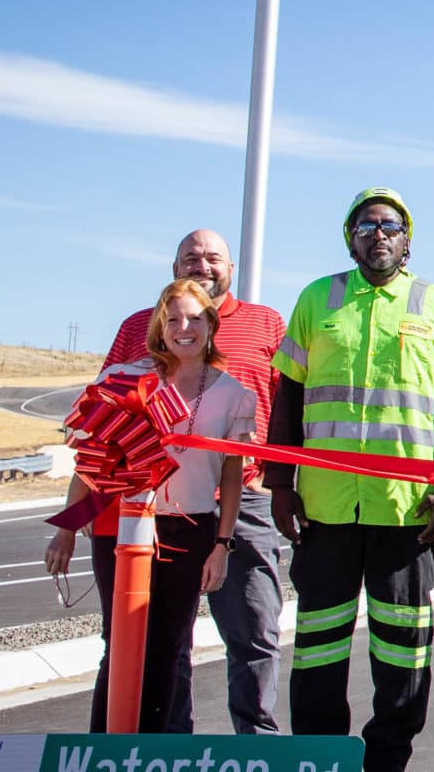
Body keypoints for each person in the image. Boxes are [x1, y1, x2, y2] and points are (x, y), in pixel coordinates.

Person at [268, 187, 434, 772]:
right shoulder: (317, 299)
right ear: (349, 237)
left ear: (407, 239)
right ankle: (319, 766)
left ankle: (389, 766)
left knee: (402, 645)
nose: (379, 234)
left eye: (391, 225)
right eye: (366, 225)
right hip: (326, 508)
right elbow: (287, 395)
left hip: (406, 512)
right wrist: (280, 485)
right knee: (319, 642)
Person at [89, 229, 288, 734]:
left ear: (231, 267)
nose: (202, 264)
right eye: (190, 257)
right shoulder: (138, 326)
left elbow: (288, 407)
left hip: (240, 501)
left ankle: (254, 750)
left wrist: (282, 483)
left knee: (253, 630)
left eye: (212, 257)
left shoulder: (266, 323)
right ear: (173, 266)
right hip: (151, 507)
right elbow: (104, 419)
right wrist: (85, 510)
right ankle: (169, 753)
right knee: (162, 640)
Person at [44, 279, 254, 734]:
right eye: (174, 318)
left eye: (195, 318)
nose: (185, 328)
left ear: (211, 325)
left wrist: (222, 543)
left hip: (191, 528)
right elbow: (90, 461)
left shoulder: (234, 394)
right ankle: (103, 756)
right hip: (122, 530)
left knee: (167, 647)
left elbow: (232, 475)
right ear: (159, 325)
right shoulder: (124, 380)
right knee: (118, 641)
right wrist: (65, 529)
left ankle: (150, 763)